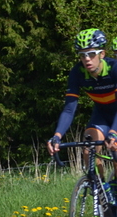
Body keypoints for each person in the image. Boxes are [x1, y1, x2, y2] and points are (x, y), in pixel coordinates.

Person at [47, 29, 117, 178]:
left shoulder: (114, 68)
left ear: (102, 54)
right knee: (88, 150)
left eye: (91, 54)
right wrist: (57, 136)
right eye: (82, 55)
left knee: (116, 149)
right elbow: (69, 109)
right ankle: (100, 191)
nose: (87, 59)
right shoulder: (77, 72)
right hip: (102, 116)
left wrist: (113, 133)